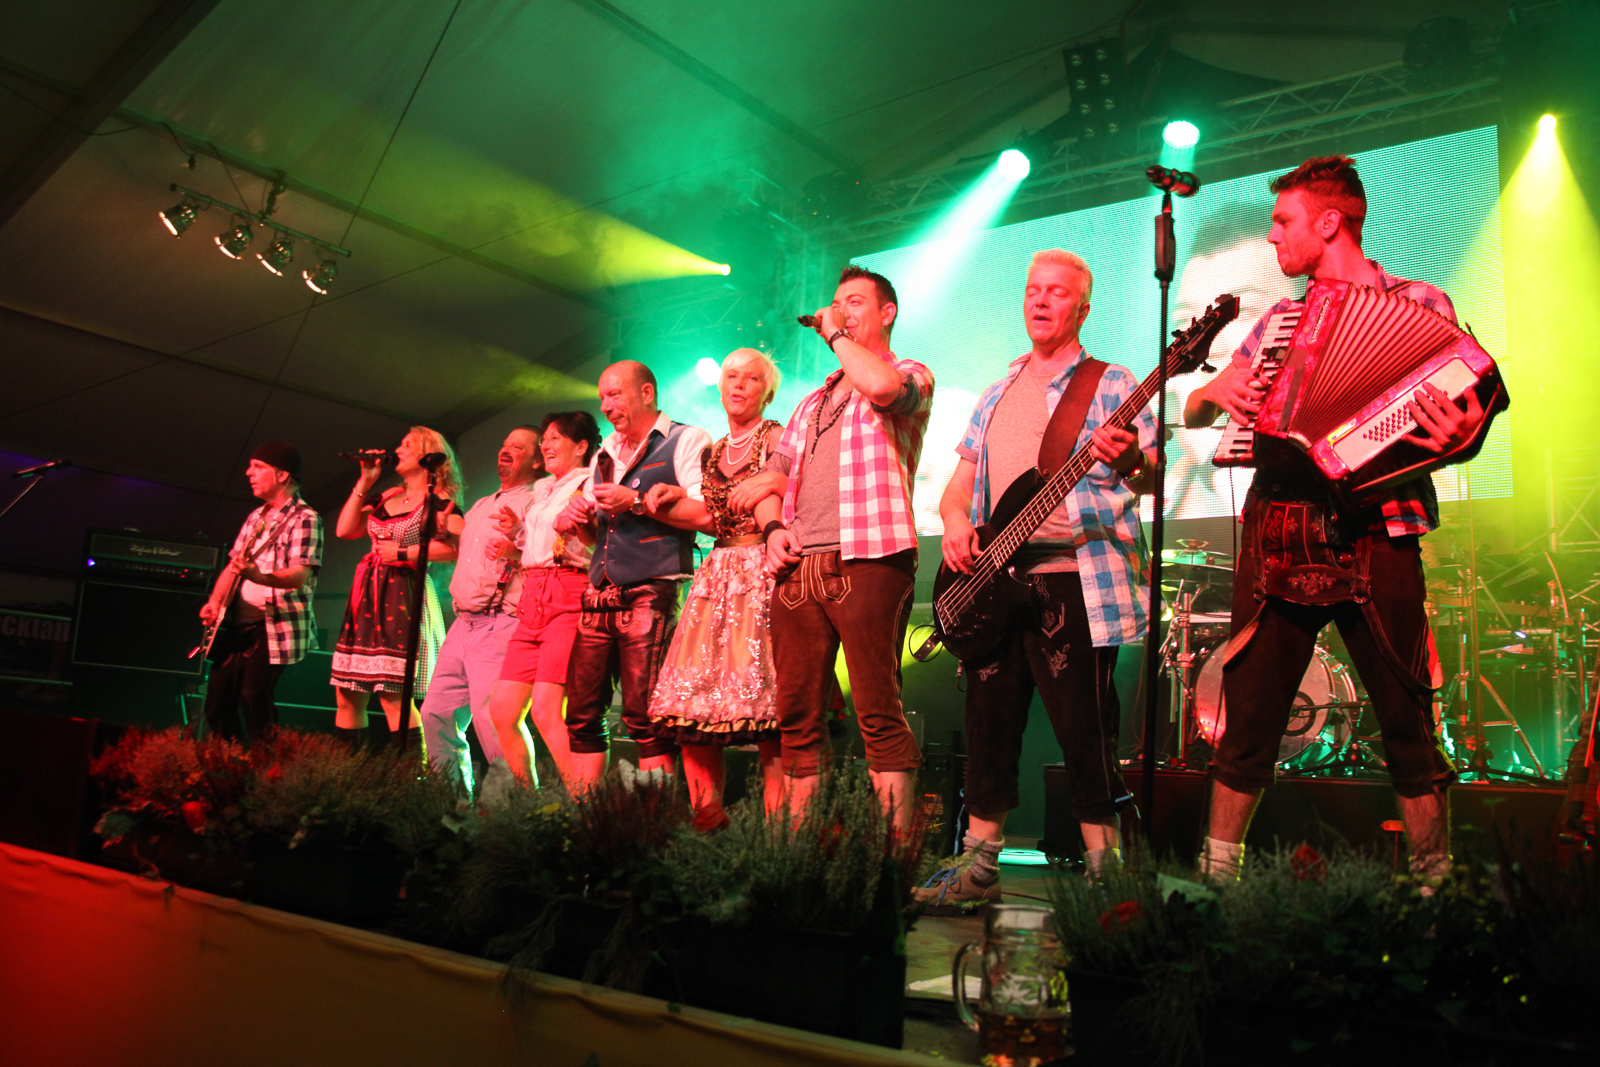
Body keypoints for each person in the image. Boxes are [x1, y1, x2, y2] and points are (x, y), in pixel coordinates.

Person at [1183, 156, 1489, 885]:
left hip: (1381, 525)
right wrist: (1211, 392)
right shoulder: (1277, 322)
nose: (1272, 234)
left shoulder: (1421, 304)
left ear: (1329, 223)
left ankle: (1432, 881)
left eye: (1283, 221)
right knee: (1249, 715)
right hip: (1279, 524)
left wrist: (1462, 435)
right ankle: (1217, 878)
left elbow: (1462, 417)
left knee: (1407, 715)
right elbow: (1201, 410)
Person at [915, 250, 1158, 909]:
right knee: (987, 723)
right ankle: (977, 865)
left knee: (1087, 728)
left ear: (1082, 307)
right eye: (1032, 290)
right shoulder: (998, 390)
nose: (1040, 300)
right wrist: (955, 518)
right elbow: (962, 477)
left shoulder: (1111, 382)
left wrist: (1132, 454)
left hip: (1075, 579)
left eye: (1056, 292)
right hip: (997, 582)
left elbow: (1154, 471)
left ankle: (1108, 872)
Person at [753, 265, 934, 829]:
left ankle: (891, 856)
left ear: (887, 313)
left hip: (870, 557)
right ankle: (802, 852)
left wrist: (833, 335)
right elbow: (769, 481)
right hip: (799, 564)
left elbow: (880, 388)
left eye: (854, 302)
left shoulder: (911, 373)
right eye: (836, 303)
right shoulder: (811, 402)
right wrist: (771, 528)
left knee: (877, 710)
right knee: (797, 718)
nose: (841, 312)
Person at [642, 349, 786, 829]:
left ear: (767, 391)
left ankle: (780, 835)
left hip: (763, 571)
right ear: (720, 387)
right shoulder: (712, 451)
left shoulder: (777, 437)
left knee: (769, 711)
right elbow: (707, 517)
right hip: (717, 575)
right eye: (731, 377)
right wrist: (658, 503)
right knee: (690, 706)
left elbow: (796, 489)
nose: (739, 385)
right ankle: (708, 822)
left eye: (750, 378)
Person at [556, 362, 712, 792]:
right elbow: (596, 537)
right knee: (583, 712)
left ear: (646, 392)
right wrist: (579, 519)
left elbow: (707, 514)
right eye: (603, 397)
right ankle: (585, 814)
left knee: (645, 714)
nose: (607, 406)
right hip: (600, 592)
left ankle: (651, 822)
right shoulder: (604, 453)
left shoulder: (687, 439)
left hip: (652, 588)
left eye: (616, 395)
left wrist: (638, 501)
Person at [419, 426, 545, 795]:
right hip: (464, 623)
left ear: (538, 459)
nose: (505, 450)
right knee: (435, 713)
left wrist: (516, 551)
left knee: (494, 721)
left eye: (517, 447)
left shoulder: (536, 502)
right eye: (504, 444)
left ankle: (516, 809)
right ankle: (452, 803)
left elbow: (548, 557)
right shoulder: (480, 506)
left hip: (500, 620)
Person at [330, 426, 464, 752]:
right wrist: (365, 481)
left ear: (427, 455)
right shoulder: (388, 496)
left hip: (402, 597)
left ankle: (410, 782)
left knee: (393, 695)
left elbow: (458, 547)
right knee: (348, 693)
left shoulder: (439, 502)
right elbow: (345, 529)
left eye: (408, 445)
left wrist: (404, 553)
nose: (399, 450)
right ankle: (345, 777)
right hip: (367, 599)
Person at [486, 411, 602, 787]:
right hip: (532, 597)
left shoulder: (590, 483)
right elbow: (536, 548)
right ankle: (528, 801)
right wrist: (517, 535)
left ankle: (584, 803)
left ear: (581, 446)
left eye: (556, 438)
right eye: (546, 438)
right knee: (502, 711)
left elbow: (592, 544)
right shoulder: (544, 489)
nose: (546, 444)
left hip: (568, 595)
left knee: (547, 711)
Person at [198, 441, 323, 743]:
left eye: (258, 467)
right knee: (216, 705)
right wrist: (215, 602)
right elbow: (233, 567)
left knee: (254, 697)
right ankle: (232, 771)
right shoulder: (256, 516)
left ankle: (266, 773)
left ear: (282, 475)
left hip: (274, 624)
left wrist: (259, 575)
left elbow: (299, 576)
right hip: (238, 626)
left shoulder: (305, 518)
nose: (248, 472)